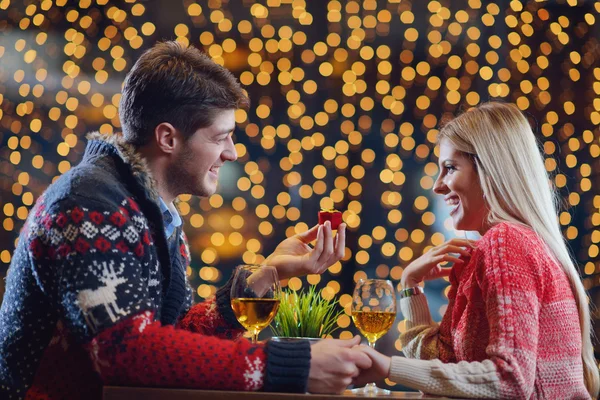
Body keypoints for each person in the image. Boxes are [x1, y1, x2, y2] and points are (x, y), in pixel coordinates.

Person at [0, 41, 372, 399]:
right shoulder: (88, 205)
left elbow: (171, 341)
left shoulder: (152, 212)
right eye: (220, 137)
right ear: (167, 138)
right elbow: (127, 353)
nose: (232, 152)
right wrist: (292, 365)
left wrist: (265, 276)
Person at [352, 102, 600, 399]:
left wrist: (388, 367)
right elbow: (448, 368)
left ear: (490, 170)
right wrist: (410, 287)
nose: (438, 187)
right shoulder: (500, 247)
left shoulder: (507, 243)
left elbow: (510, 379)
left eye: (450, 168)